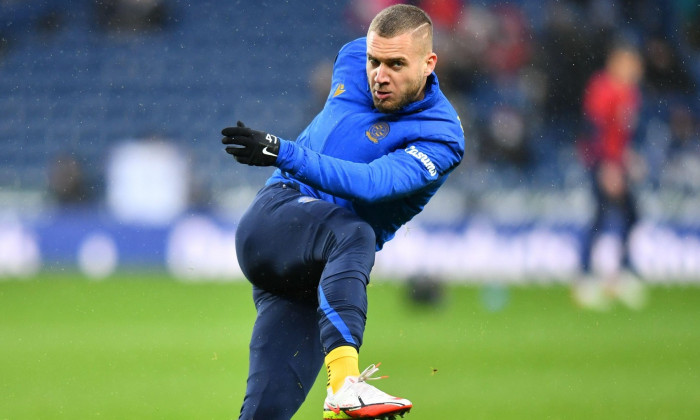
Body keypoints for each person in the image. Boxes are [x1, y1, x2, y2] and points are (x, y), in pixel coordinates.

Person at [220, 4, 464, 419]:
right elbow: (350, 61)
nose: (379, 75)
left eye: (396, 64)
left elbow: (371, 184)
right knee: (354, 233)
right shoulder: (353, 58)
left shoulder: (440, 136)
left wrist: (284, 150)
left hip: (315, 278)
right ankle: (345, 384)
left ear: (429, 64)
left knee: (266, 412)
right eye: (374, 60)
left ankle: (340, 390)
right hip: (275, 219)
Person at [574, 42, 646, 310]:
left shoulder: (631, 92)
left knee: (631, 215)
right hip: (600, 163)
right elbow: (594, 129)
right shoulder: (603, 88)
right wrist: (606, 166)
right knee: (600, 217)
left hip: (617, 161)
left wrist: (628, 157)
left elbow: (623, 134)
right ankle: (584, 277)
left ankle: (621, 274)